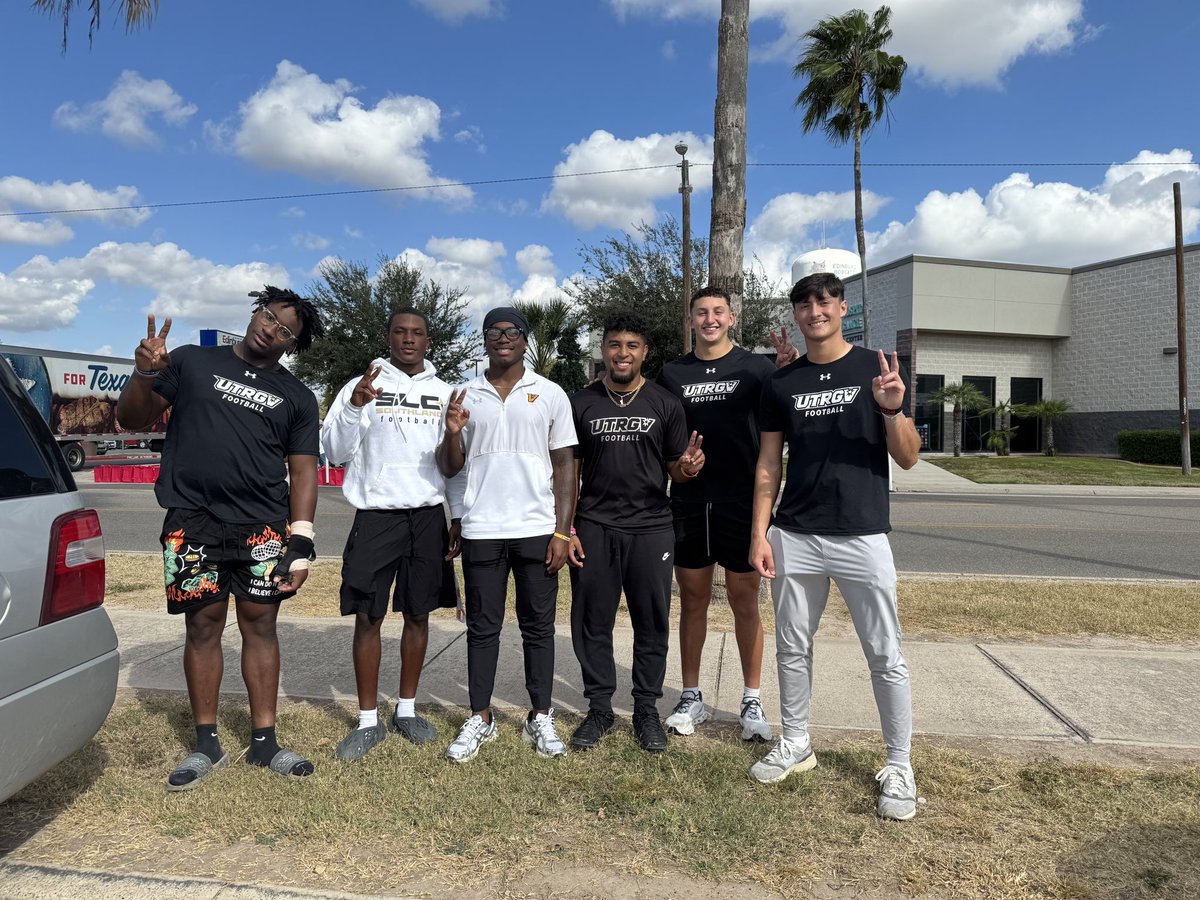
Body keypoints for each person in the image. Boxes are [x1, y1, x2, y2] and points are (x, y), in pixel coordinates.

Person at [115, 286, 325, 790]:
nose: (268, 326)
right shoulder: (190, 361)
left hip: (263, 527)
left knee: (260, 627)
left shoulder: (296, 396)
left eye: (283, 328)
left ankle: (264, 743)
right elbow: (132, 418)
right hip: (193, 522)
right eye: (266, 314)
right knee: (203, 627)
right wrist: (144, 372)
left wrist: (300, 540)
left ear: (291, 345)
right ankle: (206, 743)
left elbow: (303, 472)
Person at [749, 272, 922, 821]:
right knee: (792, 646)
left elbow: (910, 457)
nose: (814, 311)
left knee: (884, 653)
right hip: (795, 533)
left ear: (843, 307)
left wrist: (892, 409)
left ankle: (899, 764)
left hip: (863, 533)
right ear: (796, 315)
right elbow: (768, 464)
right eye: (804, 304)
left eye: (824, 301)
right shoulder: (784, 382)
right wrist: (760, 532)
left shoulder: (876, 367)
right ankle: (796, 742)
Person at [437, 307, 577, 762]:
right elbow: (451, 468)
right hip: (482, 528)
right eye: (493, 332)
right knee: (482, 628)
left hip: (537, 529)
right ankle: (481, 717)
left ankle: (540, 716)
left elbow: (565, 468)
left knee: (538, 627)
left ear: (525, 340)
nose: (502, 338)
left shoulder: (550, 393)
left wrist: (562, 530)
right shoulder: (464, 394)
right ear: (483, 340)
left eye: (511, 331)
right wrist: (453, 433)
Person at [322, 308, 459, 762]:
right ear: (387, 337)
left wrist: (455, 517)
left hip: (425, 517)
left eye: (417, 333)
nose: (408, 339)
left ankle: (406, 709)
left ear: (428, 341)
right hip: (376, 515)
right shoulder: (363, 384)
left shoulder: (443, 393)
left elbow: (453, 464)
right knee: (368, 616)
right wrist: (357, 404)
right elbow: (334, 449)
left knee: (419, 615)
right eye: (399, 332)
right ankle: (366, 721)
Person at [567, 311, 705, 753]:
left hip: (651, 528)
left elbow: (675, 471)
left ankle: (646, 708)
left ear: (645, 352)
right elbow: (568, 472)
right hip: (595, 526)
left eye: (631, 345)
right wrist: (565, 529)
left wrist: (685, 468)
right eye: (614, 344)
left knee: (651, 621)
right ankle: (600, 709)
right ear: (602, 349)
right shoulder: (582, 403)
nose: (622, 353)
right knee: (593, 621)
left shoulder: (664, 403)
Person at [657, 286, 779, 742]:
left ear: (731, 318)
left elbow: (778, 423)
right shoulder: (673, 373)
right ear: (690, 320)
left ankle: (751, 699)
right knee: (693, 601)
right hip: (689, 500)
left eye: (718, 312)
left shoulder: (757, 369)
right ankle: (691, 696)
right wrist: (682, 468)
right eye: (701, 312)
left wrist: (789, 369)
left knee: (745, 602)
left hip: (741, 503)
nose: (710, 319)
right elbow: (666, 438)